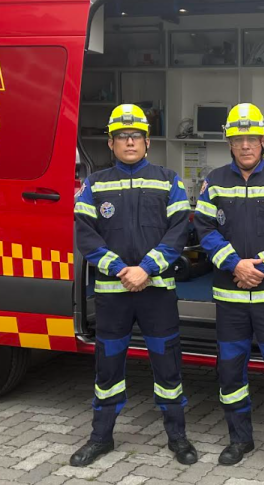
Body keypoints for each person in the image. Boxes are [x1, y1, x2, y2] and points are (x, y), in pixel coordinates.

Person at [71, 104, 197, 467]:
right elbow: (86, 235)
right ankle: (101, 438)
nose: (130, 142)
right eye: (123, 136)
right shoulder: (95, 184)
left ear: (148, 142)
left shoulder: (168, 180)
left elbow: (179, 233)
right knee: (107, 371)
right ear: (110, 143)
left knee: (168, 367)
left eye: (136, 136)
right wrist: (121, 271)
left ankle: (178, 437)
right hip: (113, 297)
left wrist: (145, 269)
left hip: (156, 293)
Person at [194, 103, 264, 473]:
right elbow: (204, 231)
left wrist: (261, 268)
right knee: (230, 371)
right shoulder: (214, 182)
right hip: (230, 299)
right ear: (230, 143)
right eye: (238, 139)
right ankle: (239, 439)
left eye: (251, 138)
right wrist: (234, 264)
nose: (245, 145)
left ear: (263, 140)